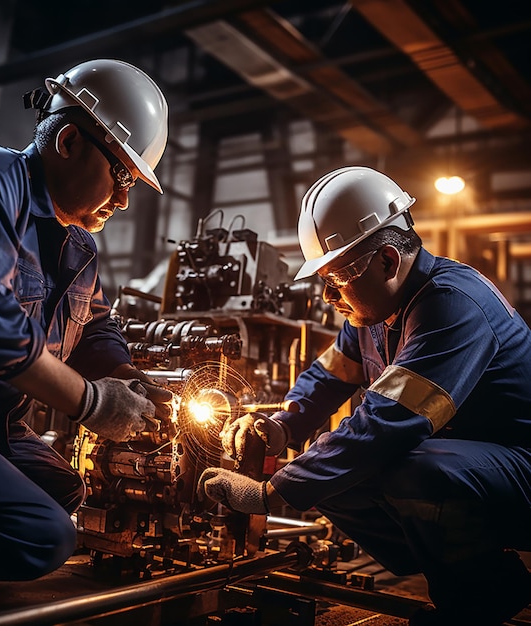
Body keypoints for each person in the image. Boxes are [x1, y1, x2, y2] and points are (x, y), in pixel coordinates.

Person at [198, 166, 531, 625]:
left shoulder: (453, 305)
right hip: (469, 470)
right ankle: (443, 558)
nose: (329, 296)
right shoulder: (372, 313)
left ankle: (486, 592)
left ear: (388, 262)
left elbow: (388, 422)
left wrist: (271, 492)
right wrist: (281, 426)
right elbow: (326, 379)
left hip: (519, 469)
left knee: (407, 467)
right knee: (328, 466)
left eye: (336, 278)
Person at [0, 58, 173, 617]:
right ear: (70, 141)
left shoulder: (78, 247)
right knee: (42, 535)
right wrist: (92, 402)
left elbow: (95, 326)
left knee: (65, 490)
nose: (124, 200)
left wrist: (127, 378)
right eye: (124, 176)